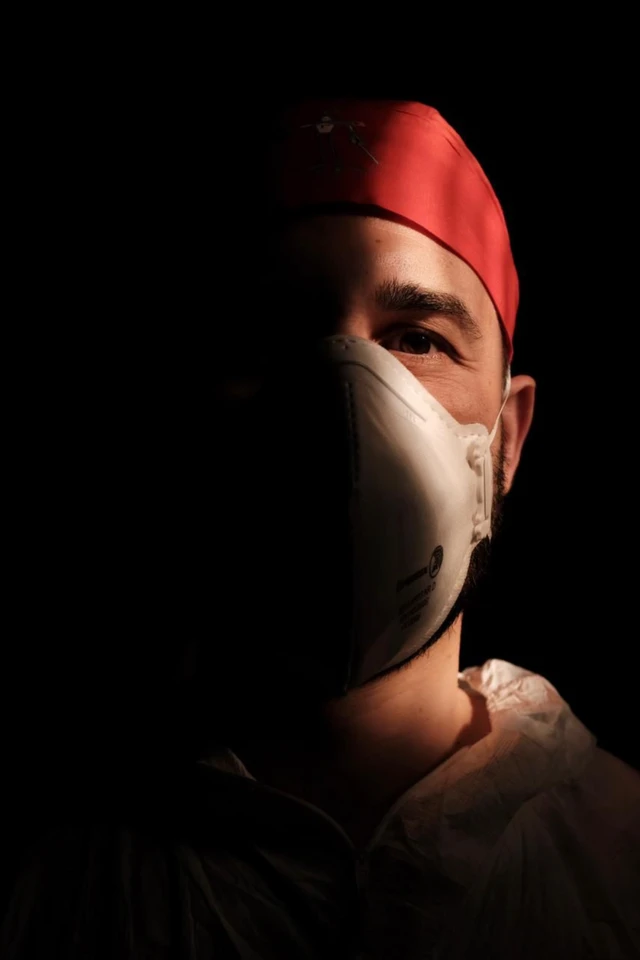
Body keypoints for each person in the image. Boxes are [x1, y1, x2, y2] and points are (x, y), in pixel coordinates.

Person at [3, 98, 639, 959]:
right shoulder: (60, 889)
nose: (348, 396)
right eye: (277, 333)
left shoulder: (619, 856)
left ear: (509, 438)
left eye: (416, 338)